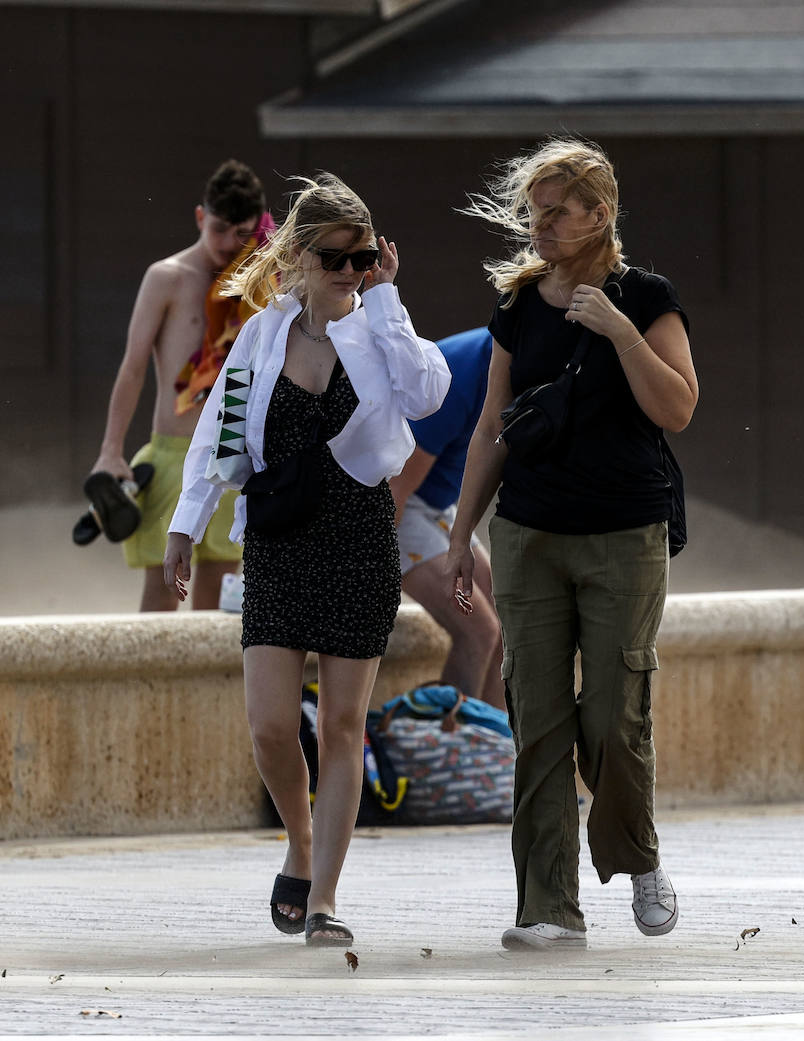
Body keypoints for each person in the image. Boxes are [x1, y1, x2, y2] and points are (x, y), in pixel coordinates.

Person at [163, 174, 449, 946]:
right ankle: (299, 837)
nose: (352, 272)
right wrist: (188, 523)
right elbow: (221, 436)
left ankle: (324, 897)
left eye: (364, 258)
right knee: (268, 726)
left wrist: (386, 301)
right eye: (337, 259)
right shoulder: (261, 334)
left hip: (357, 537)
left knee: (344, 726)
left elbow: (429, 394)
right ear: (297, 254)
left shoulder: (380, 326)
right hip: (280, 540)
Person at [447, 138, 698, 951]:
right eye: (535, 212)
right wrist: (460, 532)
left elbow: (679, 408)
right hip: (529, 532)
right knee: (539, 717)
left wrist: (621, 332)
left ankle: (638, 853)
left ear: (600, 213)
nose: (540, 225)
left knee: (615, 712)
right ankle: (547, 905)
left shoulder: (647, 297)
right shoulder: (521, 304)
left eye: (556, 211)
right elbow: (492, 425)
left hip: (626, 533)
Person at [90, 159, 272, 611]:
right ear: (199, 217)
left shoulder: (262, 282)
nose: (230, 244)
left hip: (232, 456)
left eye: (242, 233)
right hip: (173, 453)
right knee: (162, 599)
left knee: (216, 607)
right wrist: (110, 451)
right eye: (219, 229)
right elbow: (132, 367)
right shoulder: (166, 277)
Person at [387, 328, 504, 710]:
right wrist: (366, 581)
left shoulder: (528, 359)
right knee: (479, 630)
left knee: (509, 616)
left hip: (438, 502)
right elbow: (394, 490)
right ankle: (455, 750)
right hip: (394, 499)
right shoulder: (463, 371)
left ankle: (494, 746)